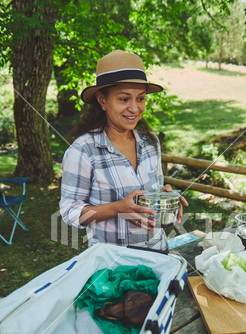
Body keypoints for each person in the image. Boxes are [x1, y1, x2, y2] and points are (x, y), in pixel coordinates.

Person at [60, 50, 188, 251]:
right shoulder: (83, 151)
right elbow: (69, 211)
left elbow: (151, 191)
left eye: (140, 98)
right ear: (102, 100)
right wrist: (116, 208)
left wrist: (164, 198)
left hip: (158, 252)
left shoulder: (150, 142)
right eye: (124, 99)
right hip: (112, 265)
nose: (135, 108)